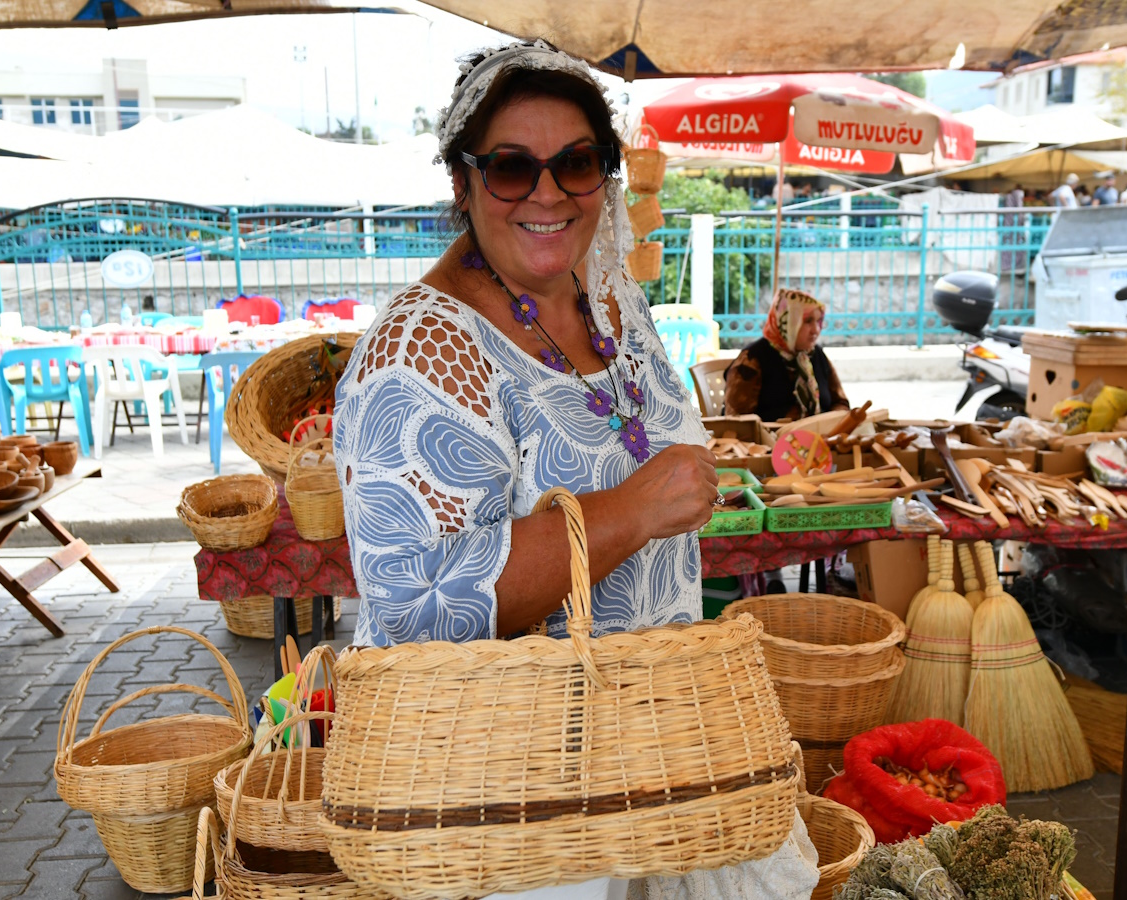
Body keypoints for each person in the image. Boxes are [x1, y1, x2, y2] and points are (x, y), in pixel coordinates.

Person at [333, 38, 818, 900]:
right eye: (513, 168)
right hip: (514, 809)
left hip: (646, 758)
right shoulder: (424, 349)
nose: (548, 193)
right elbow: (413, 606)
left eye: (577, 163)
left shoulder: (606, 297)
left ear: (607, 176)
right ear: (463, 182)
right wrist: (630, 512)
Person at [722, 288, 849, 421]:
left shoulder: (815, 355)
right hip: (769, 440)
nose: (816, 330)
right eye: (808, 321)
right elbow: (737, 420)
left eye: (818, 321)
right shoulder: (752, 360)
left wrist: (833, 421)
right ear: (788, 322)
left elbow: (840, 402)